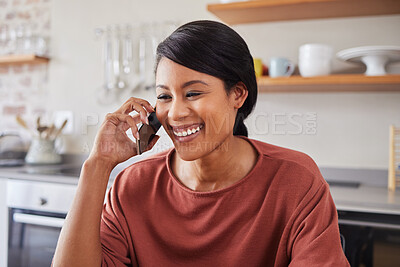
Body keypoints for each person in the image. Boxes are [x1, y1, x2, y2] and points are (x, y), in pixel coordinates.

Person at [53, 20, 349, 266]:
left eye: (193, 93)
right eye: (165, 96)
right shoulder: (132, 185)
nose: (176, 113)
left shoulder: (296, 181)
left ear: (238, 95)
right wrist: (97, 167)